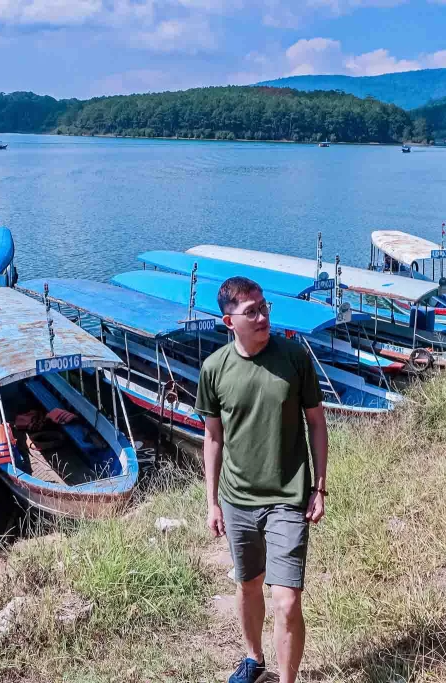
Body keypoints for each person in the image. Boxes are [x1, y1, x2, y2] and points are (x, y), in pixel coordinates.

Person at [196, 276, 329, 683]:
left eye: (264, 307)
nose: (261, 316)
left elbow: (317, 425)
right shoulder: (214, 369)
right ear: (228, 321)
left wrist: (319, 487)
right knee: (249, 585)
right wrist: (212, 502)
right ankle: (253, 659)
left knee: (287, 601)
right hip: (237, 500)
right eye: (250, 311)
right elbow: (213, 437)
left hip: (289, 497)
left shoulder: (294, 358)